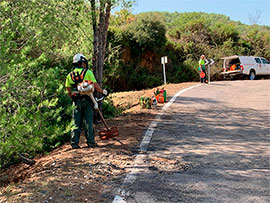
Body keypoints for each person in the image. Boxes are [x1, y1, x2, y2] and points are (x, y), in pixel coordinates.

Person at [65, 53, 107, 149]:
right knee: (88, 121)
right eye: (83, 62)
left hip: (76, 101)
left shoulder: (69, 75)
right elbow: (95, 85)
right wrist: (103, 92)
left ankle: (74, 143)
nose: (84, 64)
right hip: (87, 100)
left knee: (76, 122)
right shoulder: (88, 73)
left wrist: (73, 98)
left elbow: (68, 90)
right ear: (81, 63)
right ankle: (90, 142)